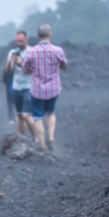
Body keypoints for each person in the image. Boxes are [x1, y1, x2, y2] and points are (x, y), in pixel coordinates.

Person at [20, 23, 68, 151]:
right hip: (53, 87)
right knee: (51, 113)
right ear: (50, 34)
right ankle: (51, 138)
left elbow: (24, 69)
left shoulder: (31, 51)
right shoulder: (58, 50)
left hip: (37, 89)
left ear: (37, 35)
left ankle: (42, 145)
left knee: (37, 117)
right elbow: (64, 65)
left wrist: (34, 70)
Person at [5, 30, 34, 139]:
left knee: (26, 115)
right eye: (17, 41)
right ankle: (22, 139)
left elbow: (32, 70)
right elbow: (8, 70)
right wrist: (10, 61)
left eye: (21, 41)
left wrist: (22, 63)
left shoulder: (32, 52)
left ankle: (37, 138)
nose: (19, 43)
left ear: (27, 40)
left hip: (29, 86)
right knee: (20, 115)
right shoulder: (13, 52)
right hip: (17, 87)